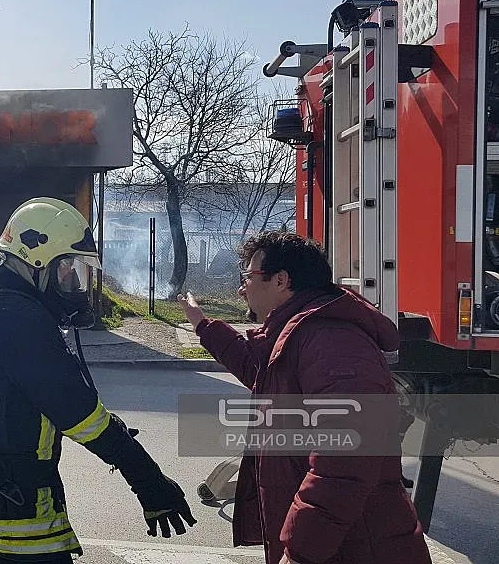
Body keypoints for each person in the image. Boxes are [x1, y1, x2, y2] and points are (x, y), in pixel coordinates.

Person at [0, 197, 196, 563]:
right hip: (11, 518)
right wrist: (149, 482)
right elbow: (82, 417)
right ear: (37, 262)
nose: (72, 281)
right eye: (66, 269)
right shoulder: (18, 322)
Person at [176, 231, 431, 564]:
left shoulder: (331, 341)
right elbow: (258, 370)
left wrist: (300, 551)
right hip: (339, 544)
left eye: (248, 276)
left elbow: (342, 464)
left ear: (281, 280)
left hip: (355, 547)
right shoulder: (302, 331)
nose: (242, 288)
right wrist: (201, 324)